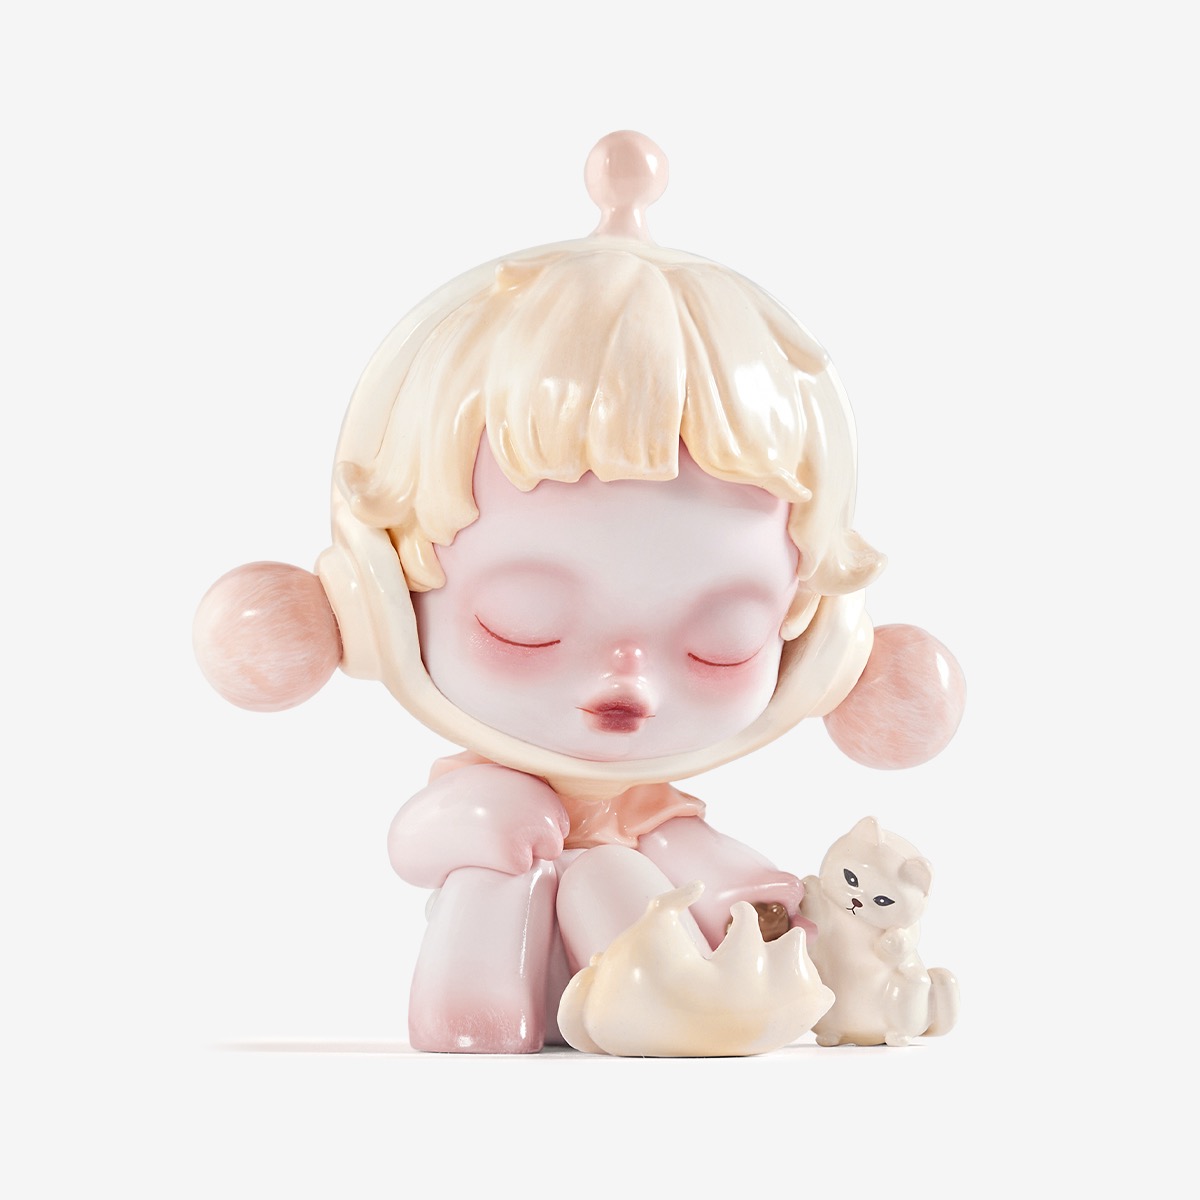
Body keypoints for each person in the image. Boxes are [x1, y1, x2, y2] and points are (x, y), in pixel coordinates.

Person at [194, 132, 965, 1053]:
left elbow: (712, 866)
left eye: (722, 641)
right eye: (523, 626)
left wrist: (770, 909)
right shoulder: (485, 790)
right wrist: (478, 819)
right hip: (500, 933)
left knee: (615, 877)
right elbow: (413, 843)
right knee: (510, 879)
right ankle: (489, 1011)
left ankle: (670, 998)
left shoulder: (653, 819)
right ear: (379, 604)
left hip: (654, 954)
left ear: (805, 638)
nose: (627, 681)